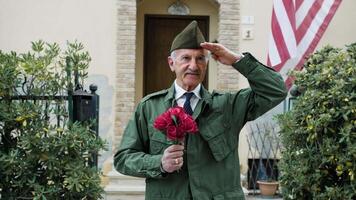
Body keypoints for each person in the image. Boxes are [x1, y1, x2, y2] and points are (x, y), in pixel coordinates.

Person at [114, 20, 287, 200]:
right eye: (186, 58)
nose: (194, 66)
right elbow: (123, 158)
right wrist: (159, 163)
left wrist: (237, 60)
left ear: (207, 63)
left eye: (200, 59)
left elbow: (276, 90)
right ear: (171, 63)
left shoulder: (228, 105)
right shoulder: (149, 107)